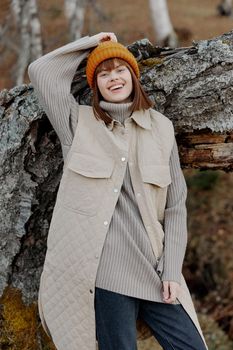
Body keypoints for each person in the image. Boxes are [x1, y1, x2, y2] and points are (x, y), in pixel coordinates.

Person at [28, 32, 208, 350]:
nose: (114, 78)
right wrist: (92, 42)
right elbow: (41, 71)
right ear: (95, 84)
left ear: (133, 76)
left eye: (120, 69)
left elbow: (176, 206)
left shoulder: (161, 128)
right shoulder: (77, 124)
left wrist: (171, 269)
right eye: (104, 73)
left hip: (154, 269)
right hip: (106, 274)